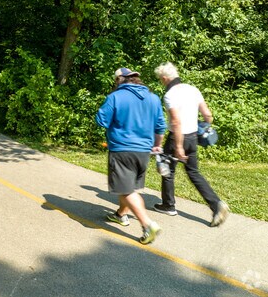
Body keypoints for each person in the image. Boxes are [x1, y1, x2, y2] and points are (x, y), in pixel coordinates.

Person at [153, 62, 230, 227]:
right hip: (193, 137)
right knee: (194, 173)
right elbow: (208, 115)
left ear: (165, 78)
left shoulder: (170, 95)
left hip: (177, 139)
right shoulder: (192, 89)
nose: (161, 82)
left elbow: (176, 121)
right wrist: (203, 128)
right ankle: (216, 205)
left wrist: (179, 146)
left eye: (160, 79)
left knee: (167, 171)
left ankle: (168, 205)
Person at [96, 68, 166, 244]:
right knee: (130, 187)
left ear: (120, 79)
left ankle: (147, 224)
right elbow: (160, 127)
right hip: (143, 152)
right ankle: (121, 215)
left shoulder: (115, 97)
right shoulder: (153, 98)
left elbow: (102, 120)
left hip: (122, 149)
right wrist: (157, 145)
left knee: (125, 189)